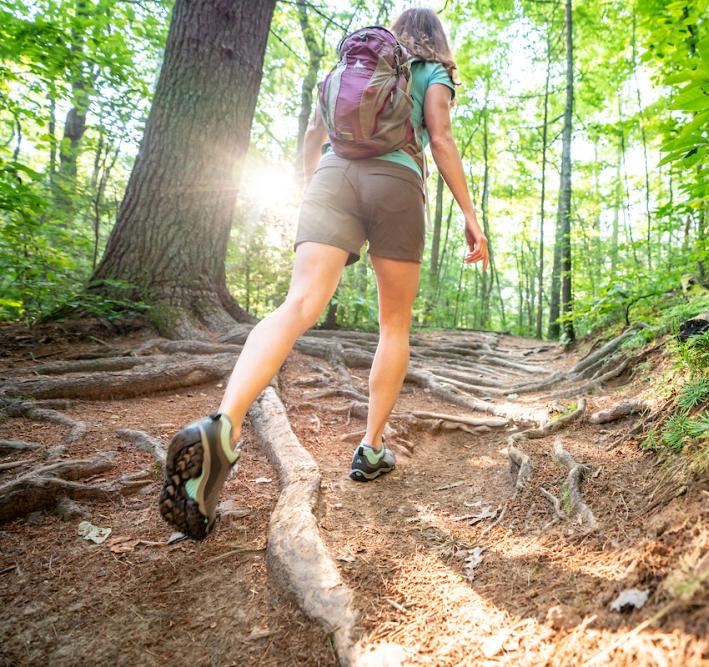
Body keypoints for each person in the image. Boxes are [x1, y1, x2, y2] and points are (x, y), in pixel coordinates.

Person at [159, 8, 489, 539]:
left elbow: (315, 135)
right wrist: (472, 217)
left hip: (332, 177)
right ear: (437, 39)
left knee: (297, 305)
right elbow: (442, 139)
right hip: (398, 182)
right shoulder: (431, 72)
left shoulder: (345, 72)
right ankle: (372, 448)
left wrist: (316, 186)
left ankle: (223, 423)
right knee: (393, 324)